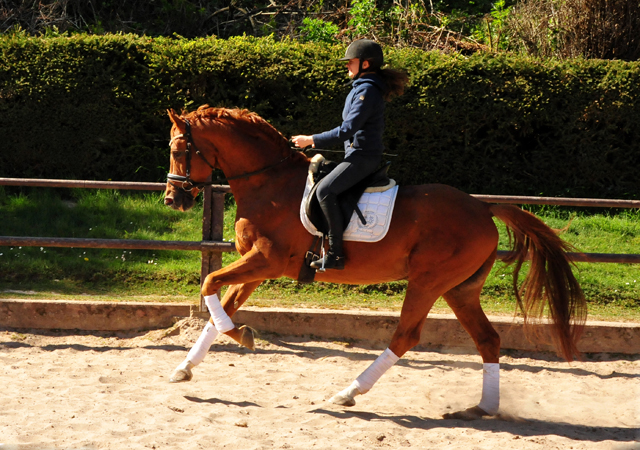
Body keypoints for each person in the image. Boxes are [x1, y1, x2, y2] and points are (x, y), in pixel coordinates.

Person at [292, 39, 409, 270]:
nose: (347, 66)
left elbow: (347, 129)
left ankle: (336, 255)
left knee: (326, 191)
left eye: (351, 62)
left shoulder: (367, 90)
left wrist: (311, 140)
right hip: (355, 155)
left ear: (365, 64)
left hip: (363, 158)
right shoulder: (361, 87)